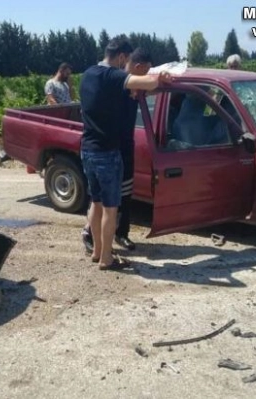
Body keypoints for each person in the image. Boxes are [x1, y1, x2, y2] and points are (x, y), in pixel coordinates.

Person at [79, 39, 171, 270]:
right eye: (126, 60)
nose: (126, 64)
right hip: (107, 153)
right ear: (121, 57)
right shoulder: (113, 76)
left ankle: (98, 252)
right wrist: (162, 77)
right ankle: (107, 258)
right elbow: (147, 82)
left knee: (96, 203)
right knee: (111, 208)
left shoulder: (88, 74)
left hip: (88, 149)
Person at [81, 48, 153, 254]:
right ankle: (97, 244)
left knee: (123, 197)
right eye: (146, 70)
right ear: (135, 65)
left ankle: (120, 234)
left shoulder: (127, 82)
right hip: (109, 149)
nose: (147, 74)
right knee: (106, 203)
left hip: (122, 147)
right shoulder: (112, 80)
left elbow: (151, 89)